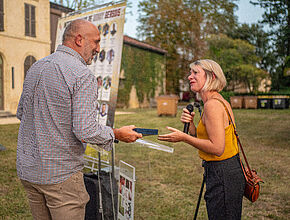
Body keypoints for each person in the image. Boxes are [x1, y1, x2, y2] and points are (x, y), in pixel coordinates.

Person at [16, 19, 142, 220]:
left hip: (29, 172)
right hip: (60, 176)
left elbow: (22, 112)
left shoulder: (36, 67)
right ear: (79, 39)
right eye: (96, 42)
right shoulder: (82, 75)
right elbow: (86, 130)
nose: (99, 49)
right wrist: (116, 134)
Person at [158, 59, 245, 219]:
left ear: (211, 77)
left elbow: (217, 148)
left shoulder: (213, 105)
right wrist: (190, 124)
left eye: (195, 73)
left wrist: (183, 137)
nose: (190, 76)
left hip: (223, 172)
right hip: (225, 170)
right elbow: (205, 138)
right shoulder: (215, 101)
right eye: (190, 73)